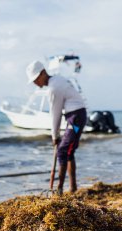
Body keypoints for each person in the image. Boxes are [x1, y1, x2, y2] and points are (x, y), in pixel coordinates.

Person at [26, 60, 87, 195]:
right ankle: (72, 187)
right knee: (69, 151)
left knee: (62, 151)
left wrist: (55, 136)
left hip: (76, 118)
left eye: (35, 79)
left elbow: (56, 114)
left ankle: (59, 189)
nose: (35, 83)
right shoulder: (57, 80)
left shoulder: (54, 88)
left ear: (42, 73)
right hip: (76, 116)